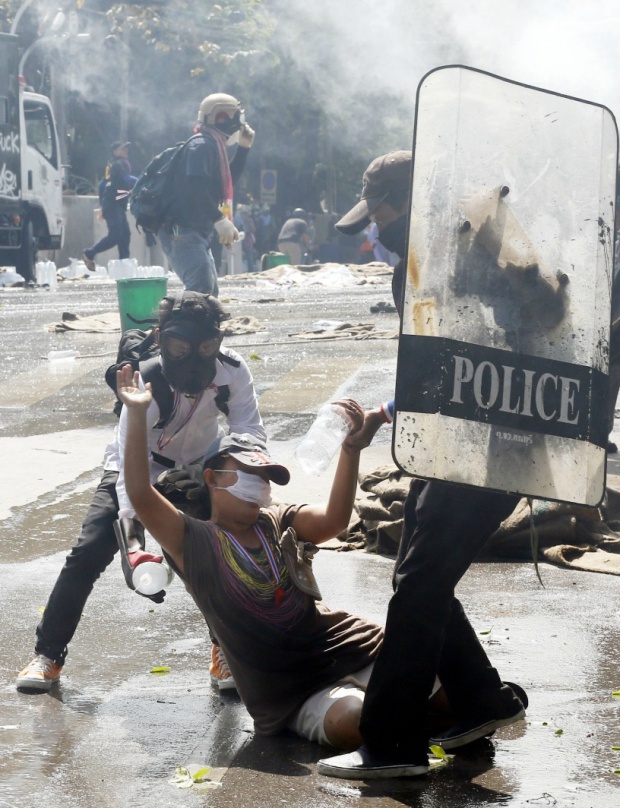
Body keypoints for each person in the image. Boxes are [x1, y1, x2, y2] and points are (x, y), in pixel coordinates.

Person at [317, 151, 526, 779]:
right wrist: (388, 409)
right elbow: (454, 359)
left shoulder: (432, 260)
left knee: (417, 585)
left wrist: (393, 409)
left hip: (480, 441)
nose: (374, 228)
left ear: (409, 202)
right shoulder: (483, 246)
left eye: (379, 211)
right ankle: (480, 702)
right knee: (422, 571)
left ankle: (390, 744)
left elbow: (452, 362)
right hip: (501, 432)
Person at [116, 377, 453, 751]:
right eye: (247, 473)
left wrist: (351, 449)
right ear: (212, 478)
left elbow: (334, 522)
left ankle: (407, 727)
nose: (259, 485)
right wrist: (136, 413)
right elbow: (140, 495)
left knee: (447, 695)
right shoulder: (194, 541)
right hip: (290, 689)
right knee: (356, 721)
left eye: (264, 477)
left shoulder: (276, 519)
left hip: (348, 646)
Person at [16, 291, 266, 693]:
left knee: (210, 559)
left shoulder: (232, 371)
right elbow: (128, 464)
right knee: (87, 553)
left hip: (196, 469)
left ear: (216, 342)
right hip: (135, 465)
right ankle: (47, 655)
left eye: (204, 348)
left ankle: (225, 651)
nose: (193, 359)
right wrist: (132, 538)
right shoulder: (143, 378)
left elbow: (251, 431)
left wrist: (214, 470)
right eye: (179, 349)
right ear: (163, 341)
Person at [158, 93, 255, 295]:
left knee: (209, 292)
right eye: (237, 118)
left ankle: (201, 326)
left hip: (196, 231)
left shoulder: (213, 146)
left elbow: (222, 185)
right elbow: (195, 189)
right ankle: (187, 326)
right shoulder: (200, 146)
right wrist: (219, 219)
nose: (239, 125)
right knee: (200, 288)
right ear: (221, 118)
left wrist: (244, 149)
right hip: (181, 231)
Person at [82, 141, 136, 270]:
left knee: (125, 234)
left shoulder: (114, 165)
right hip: (113, 205)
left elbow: (102, 184)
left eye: (126, 149)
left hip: (116, 204)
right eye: (122, 149)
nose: (125, 151)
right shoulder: (117, 165)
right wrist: (142, 181)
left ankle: (124, 262)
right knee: (116, 235)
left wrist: (102, 204)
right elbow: (126, 179)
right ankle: (89, 253)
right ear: (115, 152)